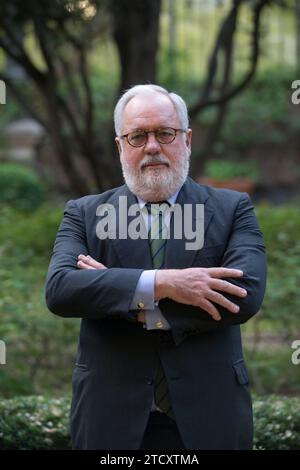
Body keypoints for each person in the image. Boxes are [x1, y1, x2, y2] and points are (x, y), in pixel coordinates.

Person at [45, 84, 267, 450]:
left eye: (165, 133)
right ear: (120, 146)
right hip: (109, 417)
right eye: (137, 136)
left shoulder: (232, 209)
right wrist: (165, 283)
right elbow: (61, 291)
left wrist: (116, 291)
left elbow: (243, 298)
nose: (152, 146)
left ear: (187, 139)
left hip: (210, 416)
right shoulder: (84, 214)